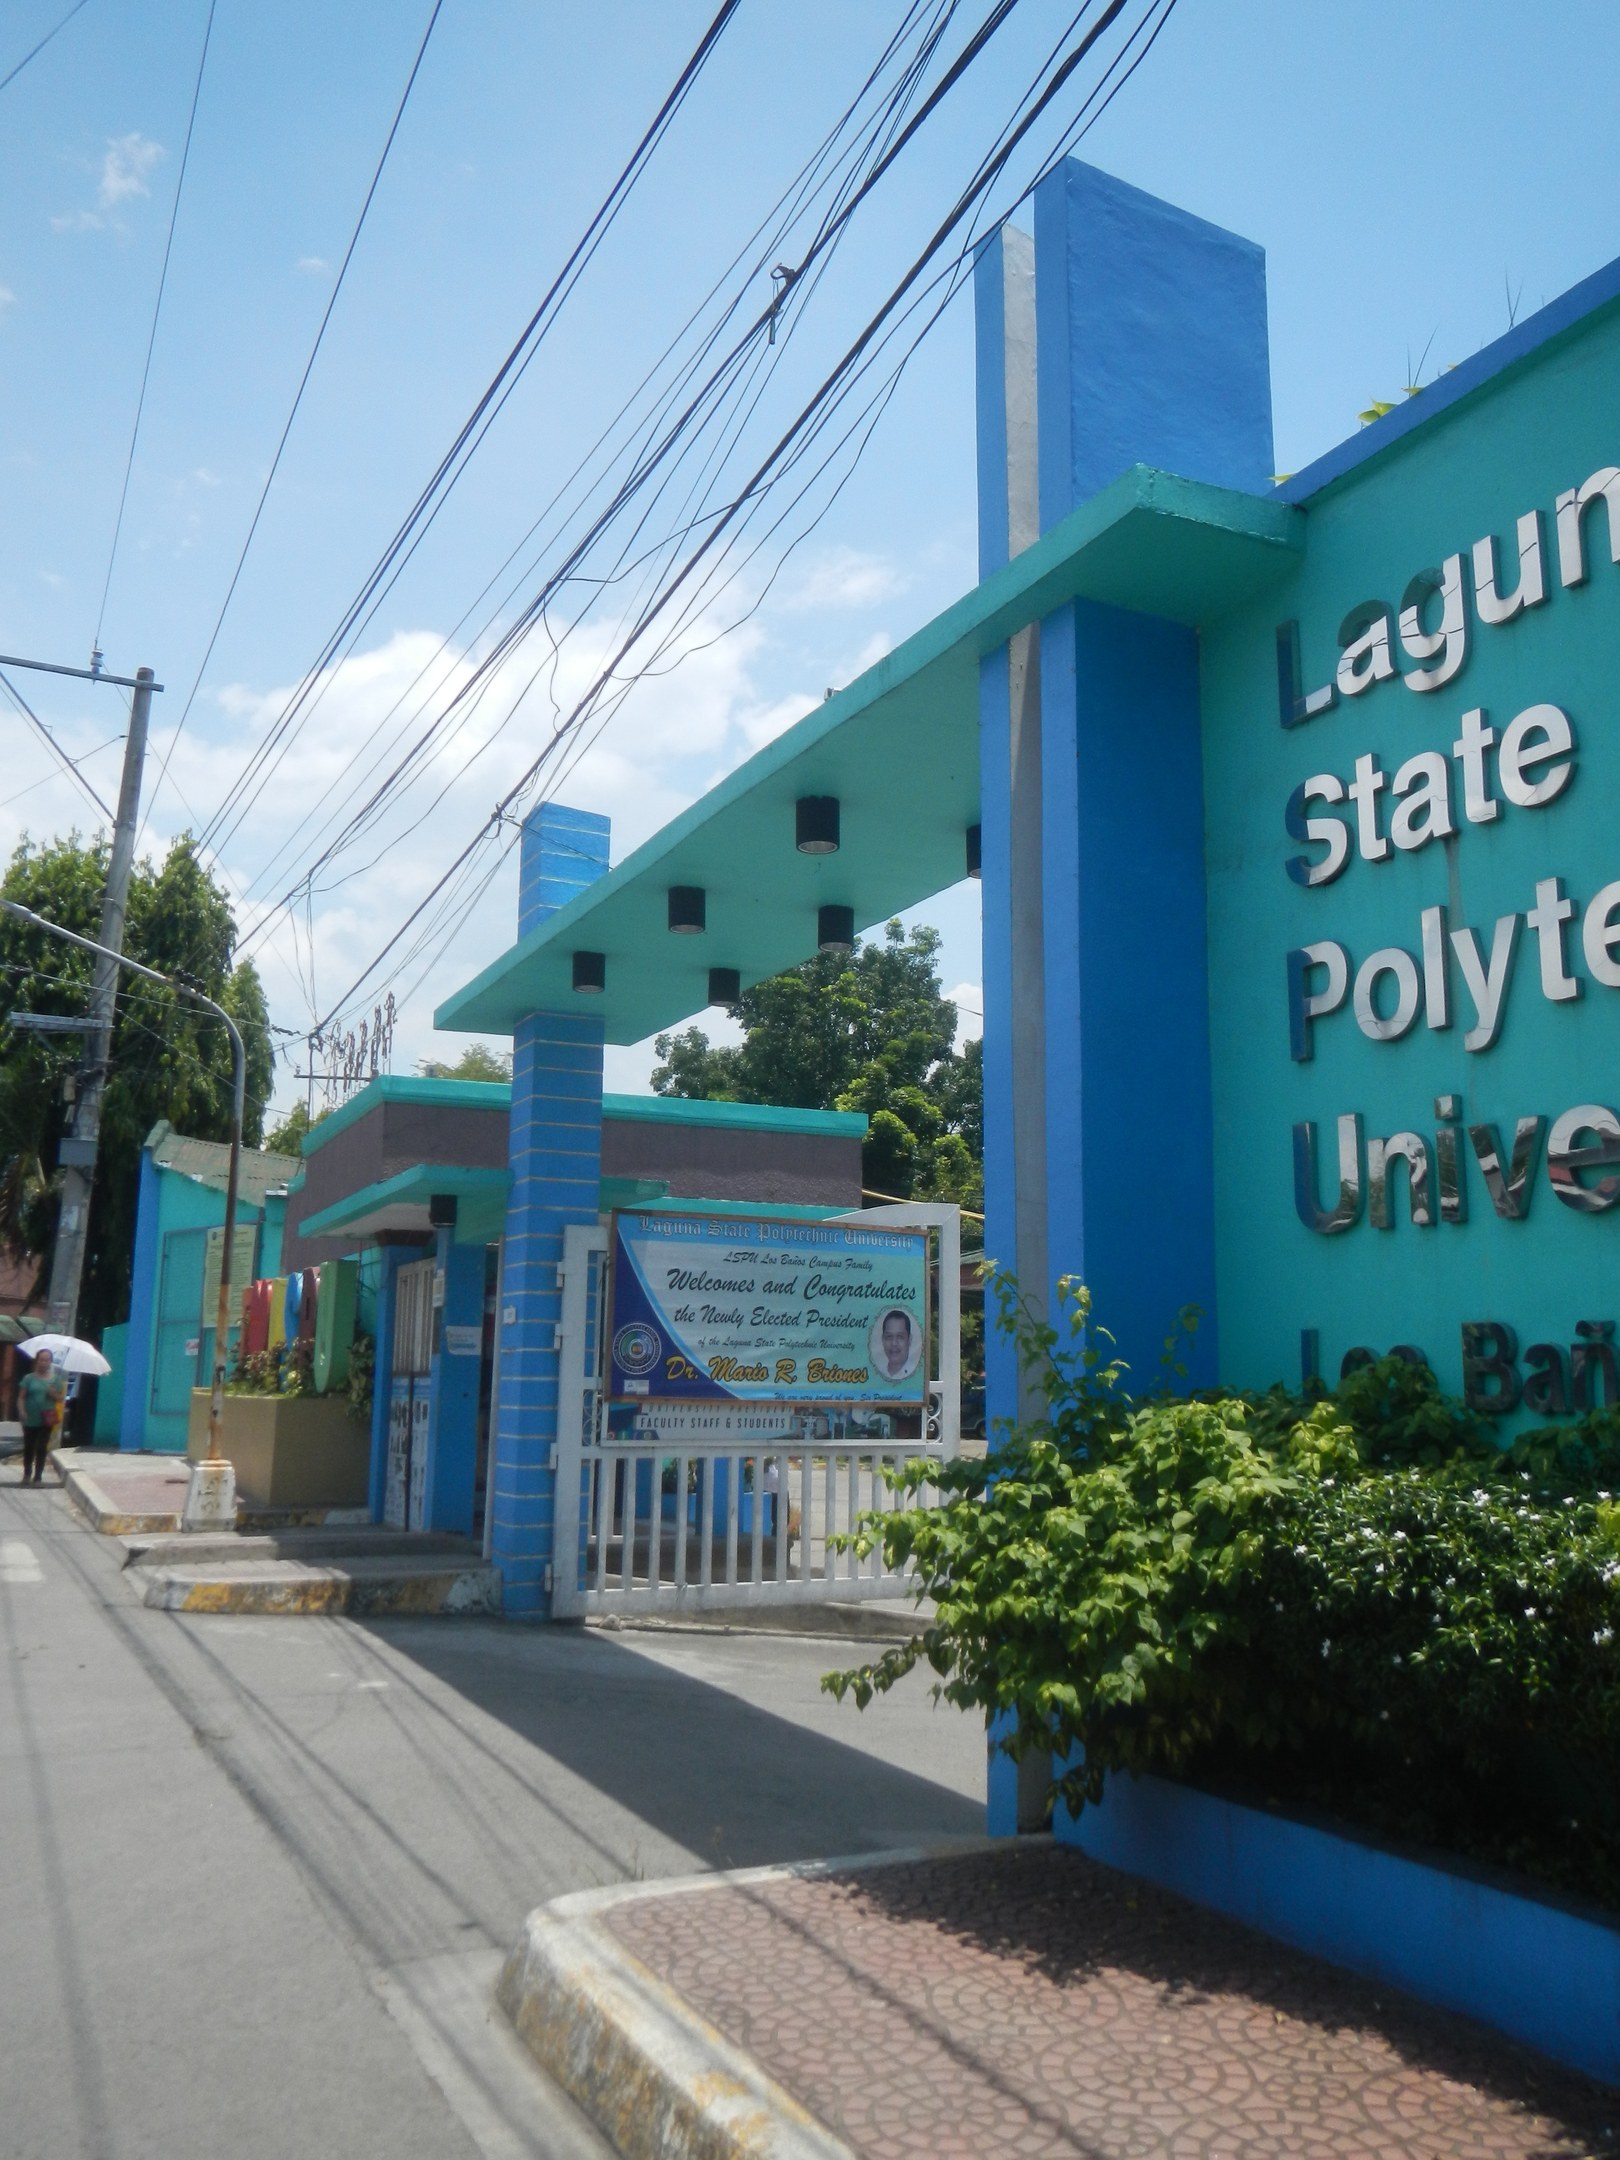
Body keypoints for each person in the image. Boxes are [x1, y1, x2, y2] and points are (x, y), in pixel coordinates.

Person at [16, 1349, 64, 1487]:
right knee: (29, 1447)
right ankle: (27, 1474)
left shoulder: (56, 1380)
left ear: (50, 1362)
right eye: (41, 1360)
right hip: (30, 1419)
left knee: (42, 1447)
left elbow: (60, 1399)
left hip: (47, 1419)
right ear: (37, 1361)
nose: (44, 1363)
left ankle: (38, 1477)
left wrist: (53, 1393)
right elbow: (21, 1397)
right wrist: (22, 1410)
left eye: (47, 1360)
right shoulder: (29, 1378)